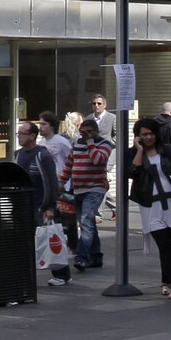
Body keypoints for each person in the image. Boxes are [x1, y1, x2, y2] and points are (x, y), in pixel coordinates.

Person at [129, 117, 171, 298]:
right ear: (138, 136)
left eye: (151, 133)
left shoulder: (167, 150)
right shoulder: (133, 153)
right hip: (150, 204)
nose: (149, 137)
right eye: (144, 134)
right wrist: (139, 150)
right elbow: (132, 172)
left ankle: (165, 282)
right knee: (164, 244)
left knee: (168, 247)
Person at [15, 121, 69, 286]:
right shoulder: (18, 154)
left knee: (49, 237)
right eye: (18, 134)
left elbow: (52, 182)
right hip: (24, 205)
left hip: (40, 205)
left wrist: (50, 206)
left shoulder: (42, 155)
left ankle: (62, 274)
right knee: (25, 241)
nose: (19, 137)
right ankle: (25, 275)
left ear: (32, 136)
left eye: (22, 134)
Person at [68, 115, 112, 270]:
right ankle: (95, 256)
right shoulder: (77, 143)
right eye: (82, 132)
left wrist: (90, 143)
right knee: (87, 223)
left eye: (89, 132)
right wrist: (61, 182)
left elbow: (98, 160)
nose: (85, 135)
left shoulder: (104, 144)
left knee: (86, 221)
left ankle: (81, 257)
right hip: (78, 188)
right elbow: (69, 164)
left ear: (96, 132)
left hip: (95, 188)